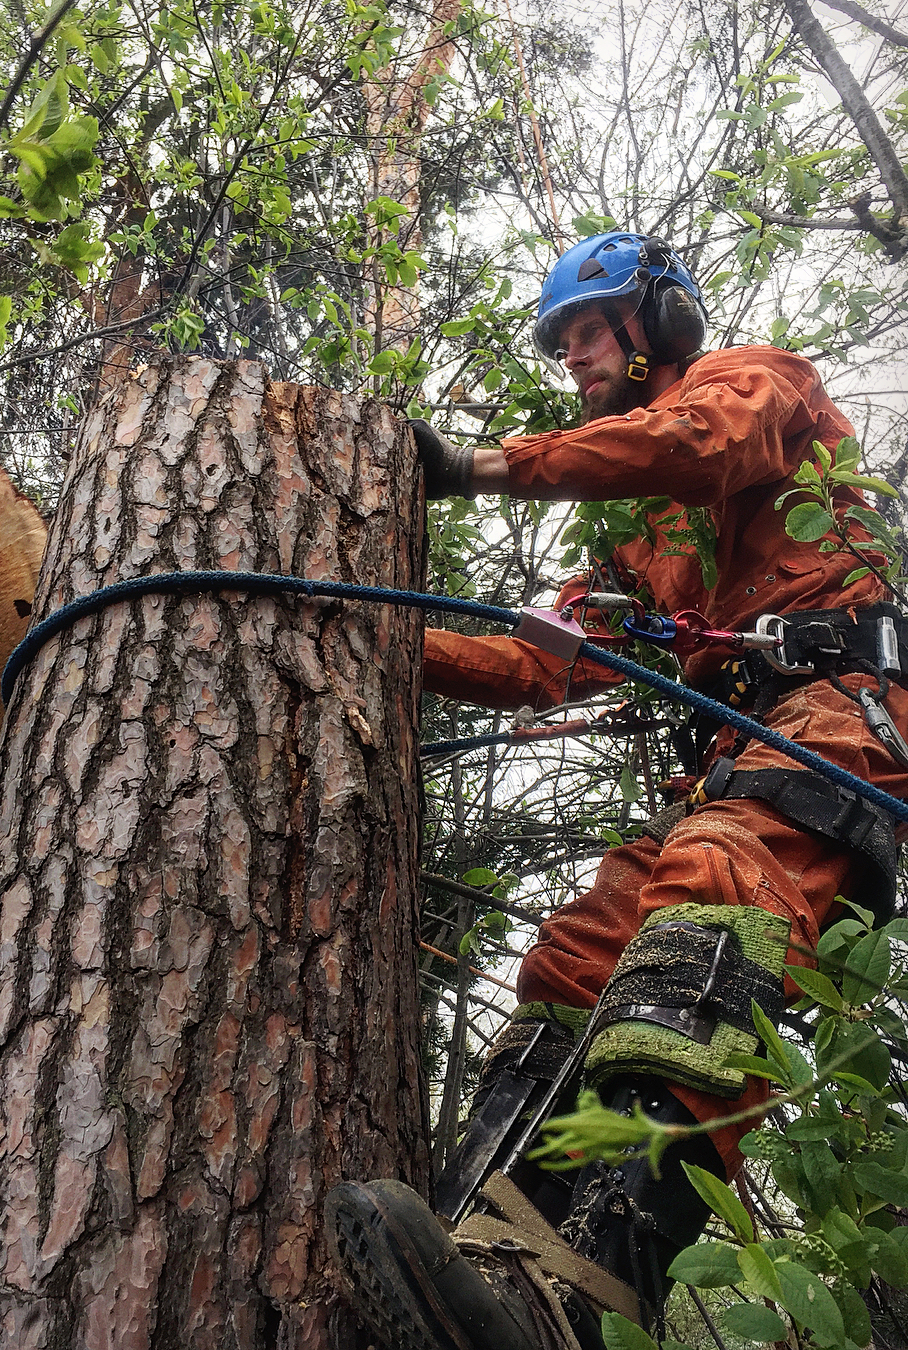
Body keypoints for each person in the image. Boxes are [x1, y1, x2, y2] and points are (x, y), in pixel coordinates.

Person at [325, 232, 908, 1350]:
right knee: (575, 960)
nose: (574, 358)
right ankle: (488, 1262)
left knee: (715, 891)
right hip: (729, 755)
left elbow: (699, 442)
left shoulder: (759, 383)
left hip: (833, 710)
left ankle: (594, 1291)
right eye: (563, 342)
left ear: (660, 325)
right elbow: (536, 663)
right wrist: (367, 628)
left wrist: (477, 463)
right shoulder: (639, 542)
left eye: (589, 331)